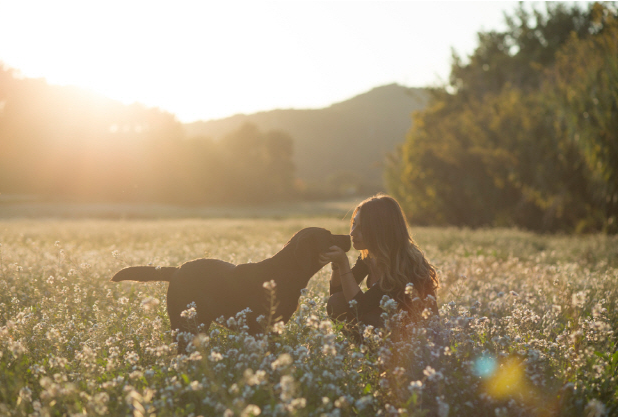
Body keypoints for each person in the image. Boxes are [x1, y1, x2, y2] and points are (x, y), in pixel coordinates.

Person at [319, 194, 439, 331]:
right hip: (389, 329)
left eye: (361, 228)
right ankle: (364, 350)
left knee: (368, 317)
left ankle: (370, 350)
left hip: (415, 338)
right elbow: (337, 295)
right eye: (353, 224)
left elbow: (359, 306)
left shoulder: (402, 265)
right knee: (337, 302)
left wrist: (343, 263)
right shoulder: (370, 256)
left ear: (380, 230)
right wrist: (336, 265)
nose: (352, 233)